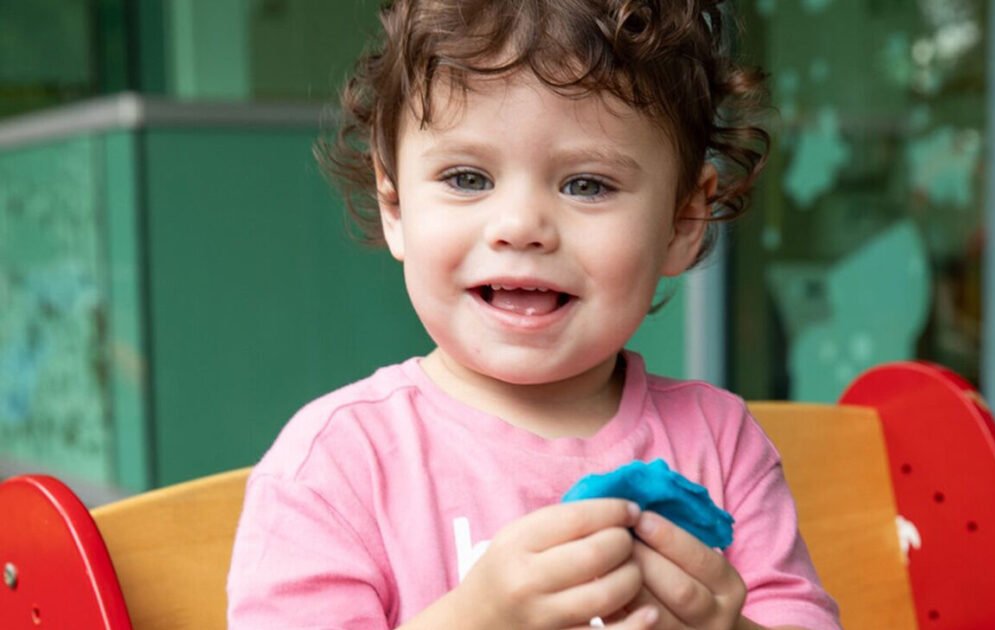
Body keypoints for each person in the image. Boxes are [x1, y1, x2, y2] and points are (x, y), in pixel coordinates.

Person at [227, 1, 841, 628]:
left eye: (587, 185)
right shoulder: (338, 464)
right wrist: (476, 619)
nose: (521, 226)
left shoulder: (721, 444)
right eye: (467, 178)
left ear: (684, 220)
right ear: (396, 206)